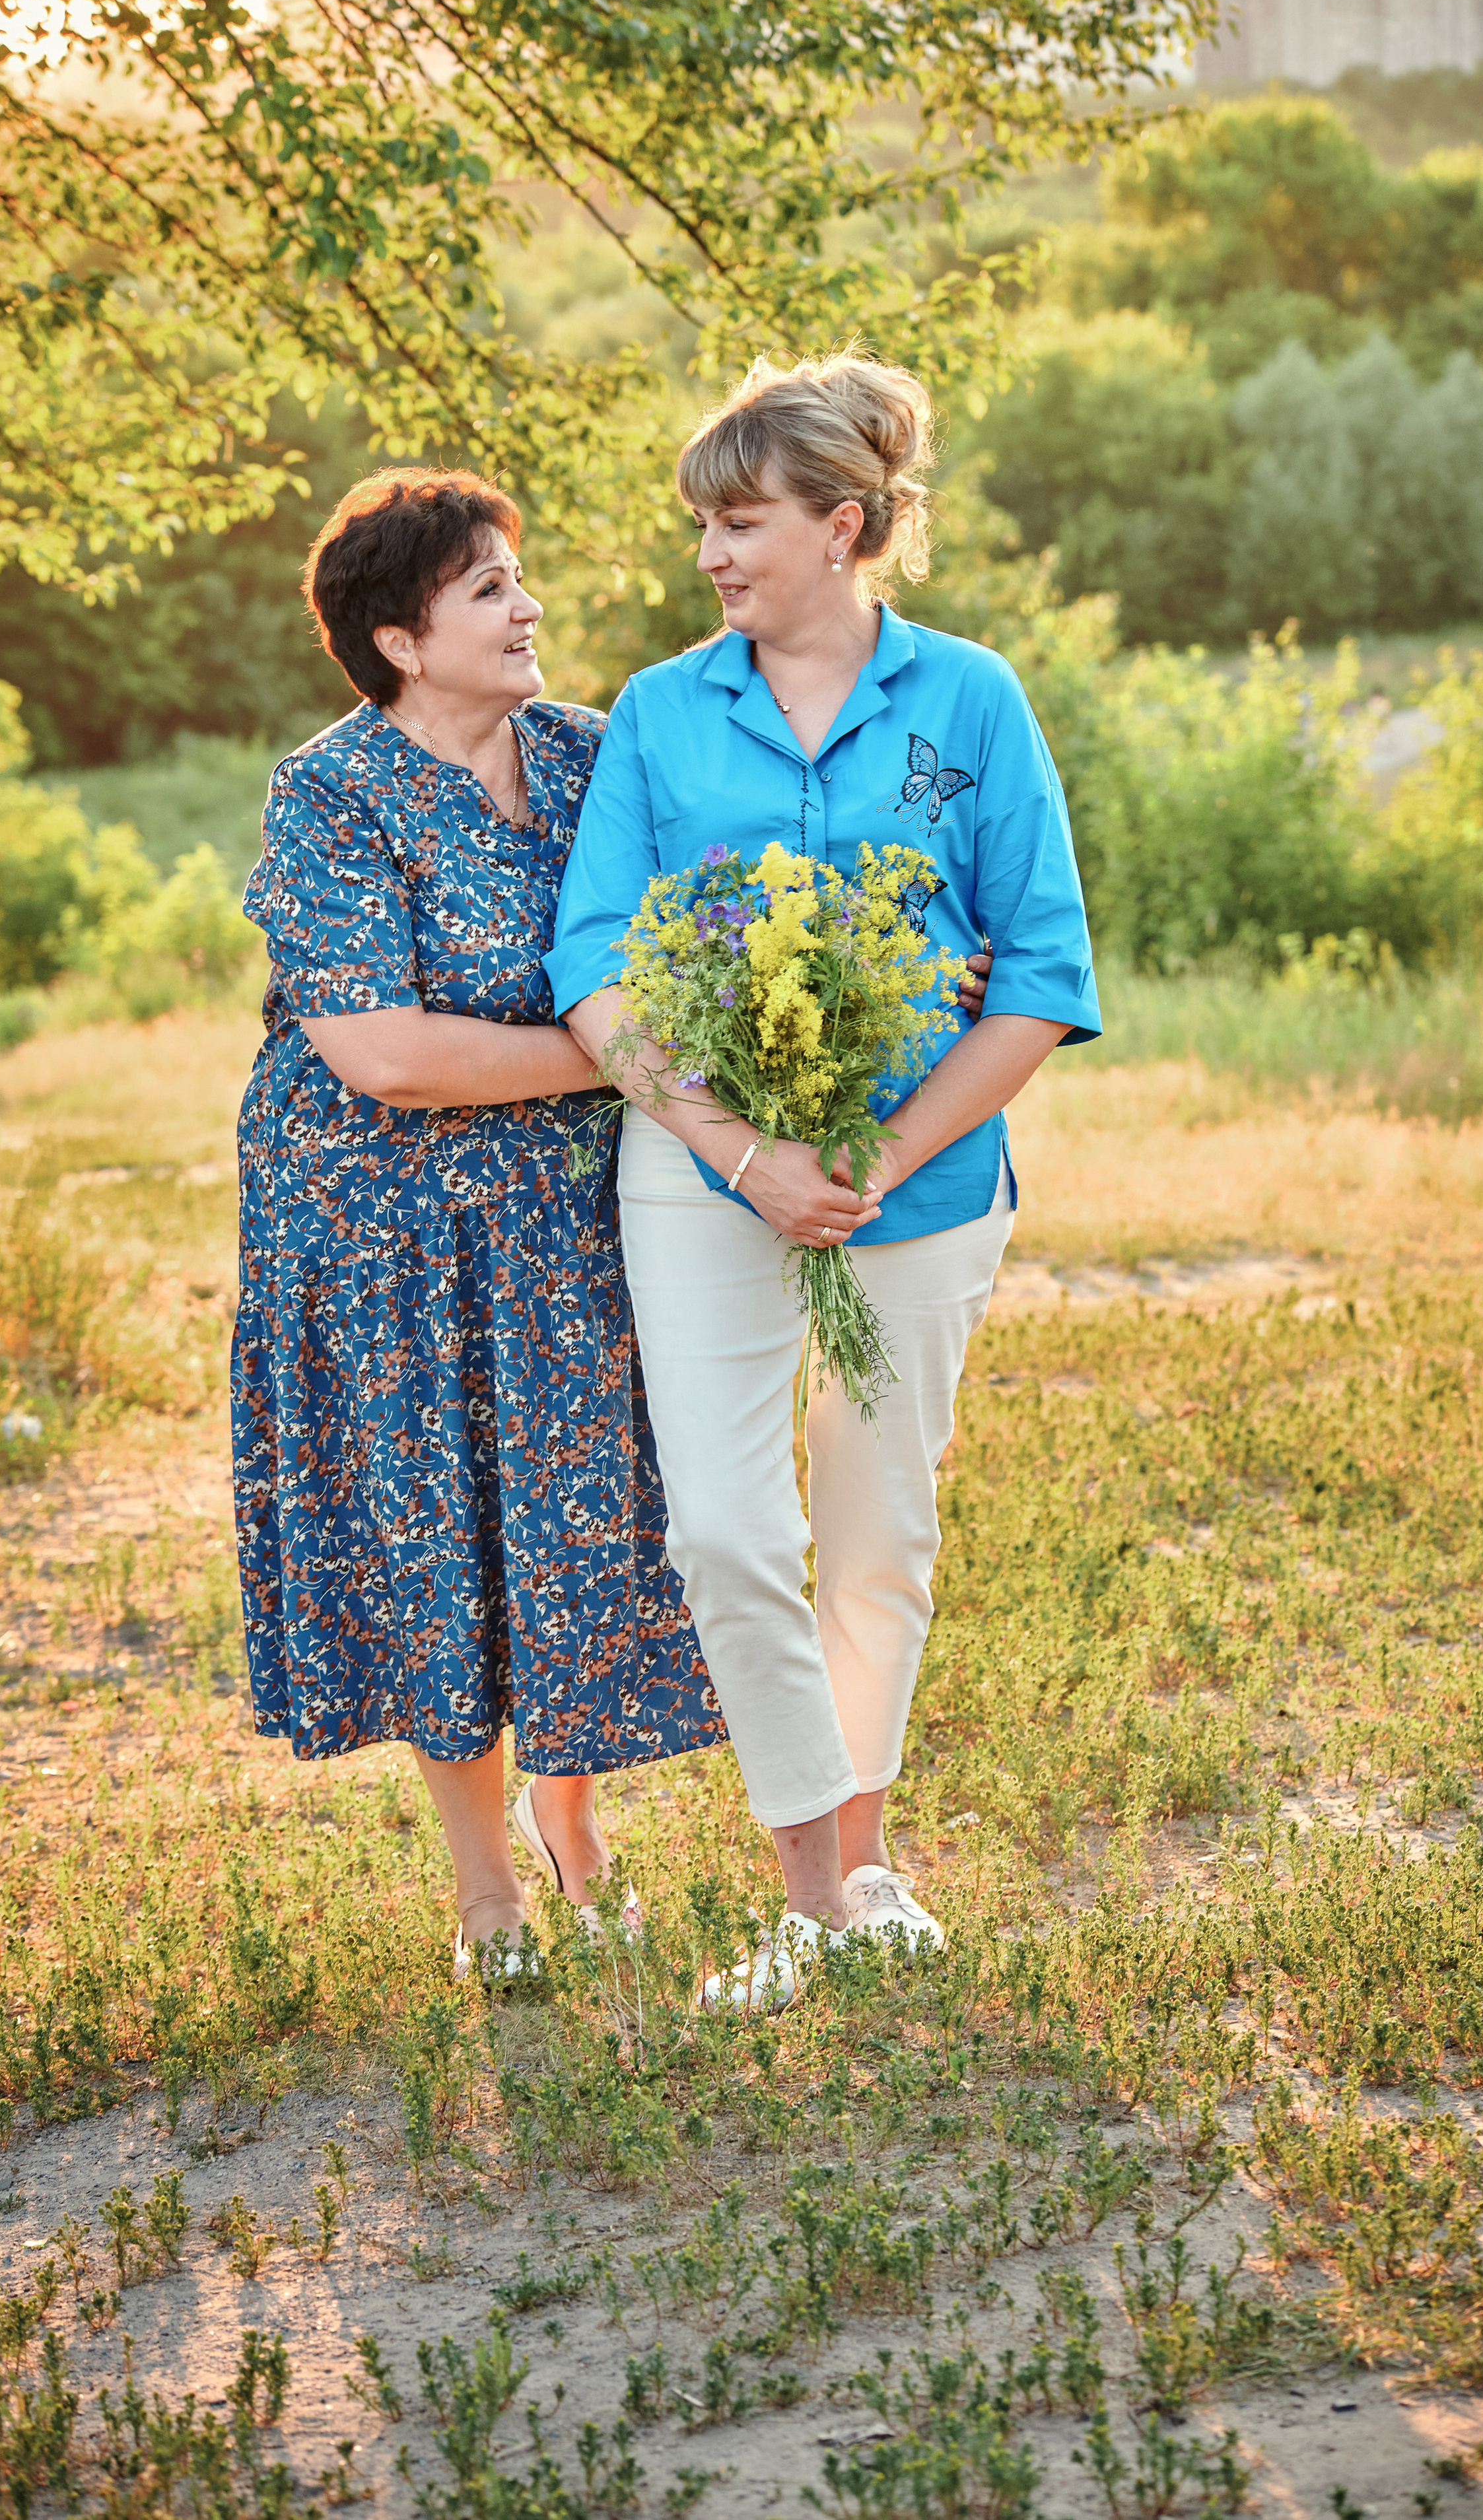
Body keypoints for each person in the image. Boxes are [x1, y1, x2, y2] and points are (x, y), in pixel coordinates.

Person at [547, 351, 1099, 2012]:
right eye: (702, 526)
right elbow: (592, 960)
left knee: (876, 1536)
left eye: (739, 521)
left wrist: (874, 1154)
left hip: (917, 1193)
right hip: (699, 1179)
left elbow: (1041, 977)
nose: (709, 555)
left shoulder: (971, 700)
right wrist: (735, 1146)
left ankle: (864, 1863)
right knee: (724, 1528)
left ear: (839, 524)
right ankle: (809, 1893)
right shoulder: (655, 710)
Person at [232, 466, 722, 1983]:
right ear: (399, 638)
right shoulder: (332, 793)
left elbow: (687, 933)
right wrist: (620, 1055)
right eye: (489, 590)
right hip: (377, 1229)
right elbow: (383, 1052)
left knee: (572, 1517)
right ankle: (485, 1894)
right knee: (437, 1531)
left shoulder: (589, 754)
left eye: (519, 581)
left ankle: (576, 1835)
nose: (529, 611)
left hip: (563, 1220)